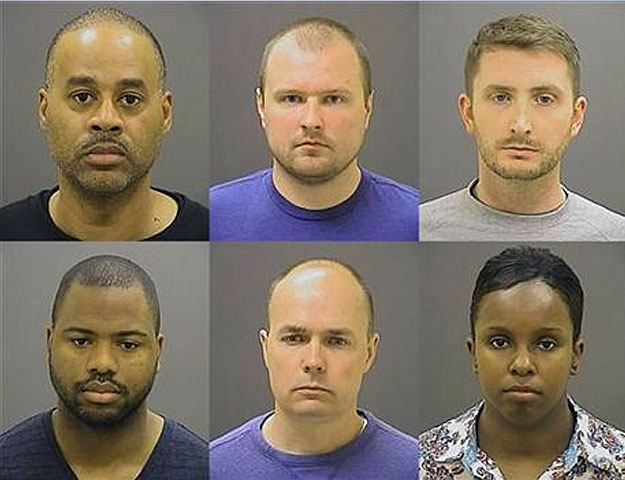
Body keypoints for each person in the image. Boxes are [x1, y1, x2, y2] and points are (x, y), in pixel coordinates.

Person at [0, 8, 208, 240]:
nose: (106, 120)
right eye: (83, 97)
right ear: (44, 109)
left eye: (130, 99)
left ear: (165, 113)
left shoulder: (209, 230)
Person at [419, 246, 625, 479]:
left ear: (576, 354)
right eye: (499, 342)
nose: (522, 364)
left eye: (546, 344)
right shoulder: (424, 461)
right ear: (473, 351)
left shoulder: (618, 463)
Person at [209, 17, 419, 241]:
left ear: (368, 107)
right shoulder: (213, 217)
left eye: (333, 99)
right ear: (261, 106)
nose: (311, 121)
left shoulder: (416, 221)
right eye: (291, 98)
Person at [0, 255, 208, 479]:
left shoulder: (206, 469)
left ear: (158, 352)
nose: (102, 363)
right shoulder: (7, 463)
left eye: (128, 345)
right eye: (81, 341)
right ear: (50, 343)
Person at [420, 14, 625, 241]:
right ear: (468, 113)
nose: (520, 125)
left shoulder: (615, 234)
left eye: (544, 99)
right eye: (500, 97)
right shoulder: (420, 228)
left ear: (576, 117)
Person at [210, 258, 419, 478]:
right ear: (266, 348)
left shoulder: (416, 468)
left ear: (369, 353)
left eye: (336, 341)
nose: (314, 362)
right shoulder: (214, 468)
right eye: (294, 339)